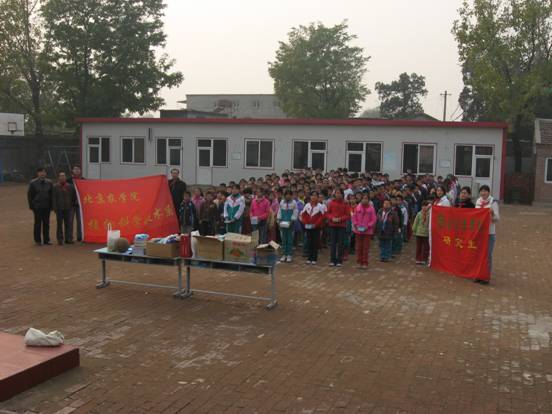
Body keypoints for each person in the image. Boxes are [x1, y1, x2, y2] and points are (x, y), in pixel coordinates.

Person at [475, 185, 500, 284]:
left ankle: (486, 276)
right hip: (480, 233)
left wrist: (492, 213)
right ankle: (478, 274)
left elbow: (497, 219)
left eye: (485, 191)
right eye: (482, 191)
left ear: (489, 192)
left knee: (487, 255)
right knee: (478, 254)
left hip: (489, 233)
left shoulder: (493, 202)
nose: (483, 193)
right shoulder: (478, 201)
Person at [27, 167, 53, 246]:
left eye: (44, 172)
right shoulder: (33, 183)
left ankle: (46, 240)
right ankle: (38, 240)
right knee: (37, 223)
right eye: (40, 172)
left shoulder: (49, 182)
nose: (42, 173)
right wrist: (31, 206)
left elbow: (51, 195)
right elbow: (30, 195)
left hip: (47, 206)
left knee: (46, 223)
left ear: (46, 173)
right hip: (37, 207)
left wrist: (51, 206)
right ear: (37, 173)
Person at [352, 193, 377, 269]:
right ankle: (359, 262)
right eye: (363, 198)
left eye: (366, 199)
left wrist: (368, 226)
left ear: (369, 200)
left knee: (366, 247)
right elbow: (354, 217)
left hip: (367, 231)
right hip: (358, 230)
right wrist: (356, 225)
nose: (364, 200)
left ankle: (365, 262)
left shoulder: (371, 208)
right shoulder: (358, 207)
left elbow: (373, 219)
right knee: (358, 247)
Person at [326, 188, 350, 267]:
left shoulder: (345, 204)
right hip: (332, 225)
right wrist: (332, 218)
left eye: (339, 193)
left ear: (342, 194)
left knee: (340, 243)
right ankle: (332, 260)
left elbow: (348, 215)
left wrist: (340, 219)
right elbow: (328, 213)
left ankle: (339, 260)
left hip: (341, 226)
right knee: (333, 243)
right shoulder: (331, 203)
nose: (338, 195)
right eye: (336, 193)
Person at [52, 171, 77, 245]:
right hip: (59, 209)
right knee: (59, 224)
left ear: (65, 177)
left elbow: (74, 197)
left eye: (63, 176)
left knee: (68, 224)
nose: (62, 177)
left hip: (68, 208)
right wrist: (54, 208)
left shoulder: (70, 186)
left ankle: (68, 239)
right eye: (61, 176)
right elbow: (53, 198)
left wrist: (72, 205)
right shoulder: (55, 187)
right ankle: (60, 239)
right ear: (58, 177)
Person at [300, 191, 325, 265]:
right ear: (310, 197)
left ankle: (314, 258)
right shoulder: (307, 205)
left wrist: (315, 224)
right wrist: (305, 223)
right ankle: (309, 258)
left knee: (315, 243)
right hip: (308, 227)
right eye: (312, 195)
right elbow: (303, 215)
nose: (313, 197)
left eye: (315, 195)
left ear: (317, 197)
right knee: (309, 242)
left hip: (316, 227)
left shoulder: (320, 206)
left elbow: (322, 217)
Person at [277, 190, 298, 263]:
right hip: (283, 223)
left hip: (290, 223)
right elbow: (279, 211)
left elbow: (295, 212)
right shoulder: (282, 202)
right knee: (283, 239)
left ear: (291, 196)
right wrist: (279, 220)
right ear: (284, 195)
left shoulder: (294, 203)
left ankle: (289, 254)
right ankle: (284, 254)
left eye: (289, 195)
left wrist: (292, 221)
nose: (288, 196)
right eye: (286, 194)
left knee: (290, 239)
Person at [66, 165, 84, 242]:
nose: (77, 170)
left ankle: (80, 237)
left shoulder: (83, 180)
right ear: (72, 170)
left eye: (78, 169)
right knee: (70, 221)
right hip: (71, 204)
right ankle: (69, 237)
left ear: (80, 171)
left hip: (80, 205)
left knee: (80, 221)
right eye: (75, 169)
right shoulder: (68, 180)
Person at [412, 200, 431, 265]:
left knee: (425, 247)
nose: (424, 207)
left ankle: (424, 259)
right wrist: (414, 229)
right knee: (418, 247)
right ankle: (418, 259)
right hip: (419, 233)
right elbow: (415, 222)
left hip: (426, 233)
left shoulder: (430, 214)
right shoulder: (419, 214)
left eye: (426, 206)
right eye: (423, 206)